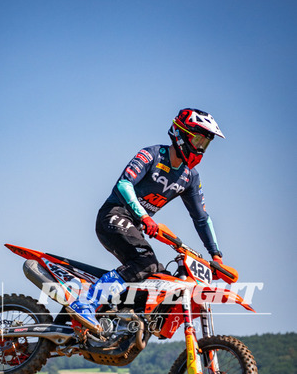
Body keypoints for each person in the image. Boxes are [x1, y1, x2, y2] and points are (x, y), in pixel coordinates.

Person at [68, 108, 225, 332]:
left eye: (205, 144)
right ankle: (86, 302)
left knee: (158, 277)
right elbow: (124, 184)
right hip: (113, 214)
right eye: (198, 140)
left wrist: (216, 256)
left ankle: (119, 325)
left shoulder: (190, 176)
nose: (201, 149)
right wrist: (143, 216)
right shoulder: (152, 155)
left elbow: (201, 218)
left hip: (135, 226)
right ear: (182, 134)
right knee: (145, 262)